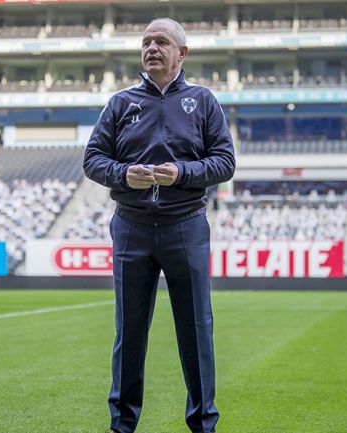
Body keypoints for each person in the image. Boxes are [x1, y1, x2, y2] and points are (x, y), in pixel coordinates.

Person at [83, 18, 235, 433]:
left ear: (181, 53)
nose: (152, 48)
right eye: (146, 42)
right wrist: (122, 175)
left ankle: (204, 424)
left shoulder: (203, 101)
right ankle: (122, 425)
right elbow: (93, 159)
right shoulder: (120, 103)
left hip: (185, 226)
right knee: (129, 332)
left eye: (162, 42)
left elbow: (225, 162)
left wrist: (182, 173)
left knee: (196, 328)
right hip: (131, 226)